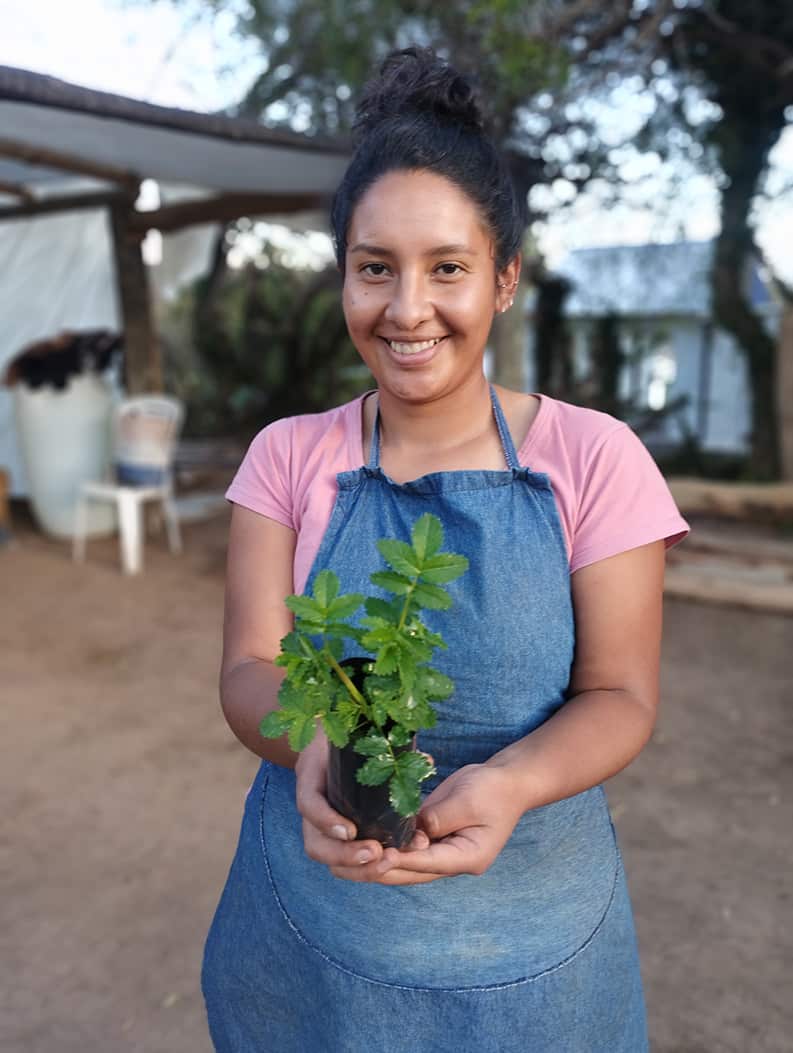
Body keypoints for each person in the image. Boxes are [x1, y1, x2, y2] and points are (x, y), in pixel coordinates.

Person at [202, 47, 689, 1053]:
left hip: (536, 953)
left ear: (504, 280)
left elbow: (620, 696)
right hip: (317, 934)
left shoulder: (594, 458)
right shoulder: (287, 457)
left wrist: (506, 784)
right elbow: (252, 668)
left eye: (447, 269)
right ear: (342, 275)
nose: (406, 308)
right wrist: (311, 748)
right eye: (374, 267)